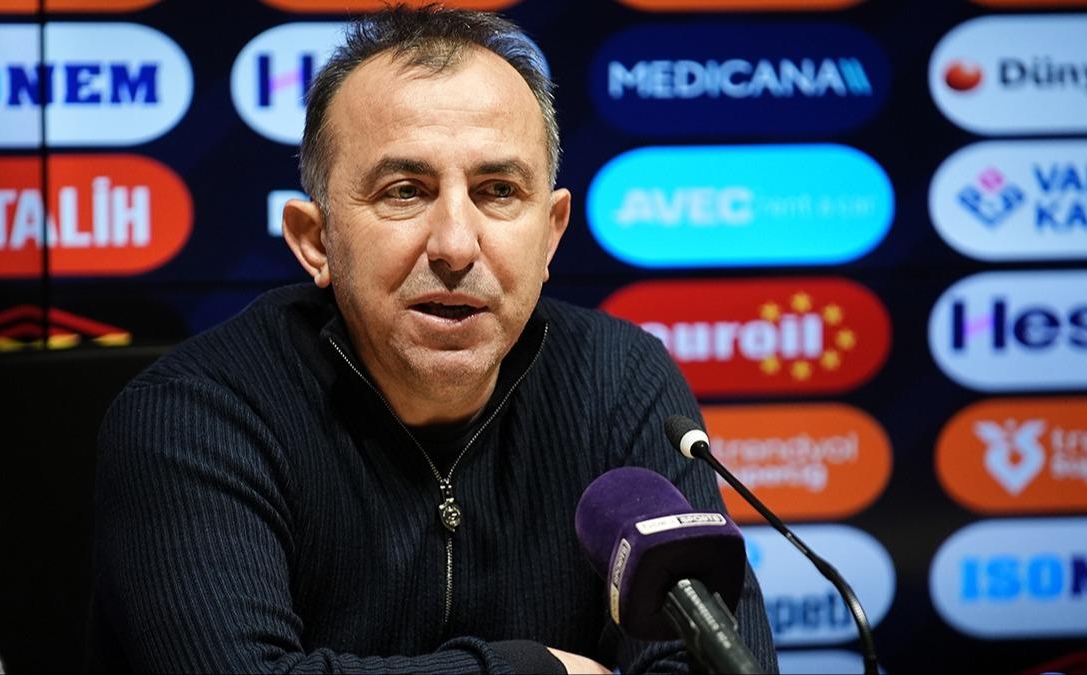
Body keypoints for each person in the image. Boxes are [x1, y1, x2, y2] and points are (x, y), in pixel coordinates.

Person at [90, 5, 777, 674]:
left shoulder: (621, 382)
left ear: (550, 234)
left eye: (498, 190)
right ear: (316, 241)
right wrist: (533, 668)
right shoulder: (191, 416)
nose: (455, 245)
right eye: (405, 191)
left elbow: (716, 661)